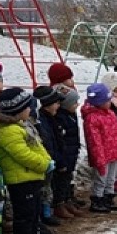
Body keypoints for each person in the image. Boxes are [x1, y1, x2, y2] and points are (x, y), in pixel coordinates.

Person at [0, 88, 53, 234]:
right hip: (20, 179)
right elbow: (23, 155)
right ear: (16, 111)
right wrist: (43, 164)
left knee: (33, 211)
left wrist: (46, 160)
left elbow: (37, 147)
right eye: (26, 108)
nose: (30, 111)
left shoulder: (20, 126)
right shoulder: (8, 131)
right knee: (24, 214)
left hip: (30, 176)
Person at [82, 83, 117, 213]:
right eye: (106, 100)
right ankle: (97, 199)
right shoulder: (92, 118)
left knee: (111, 178)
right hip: (102, 154)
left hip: (114, 152)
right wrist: (99, 158)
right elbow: (94, 141)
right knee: (101, 178)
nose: (109, 102)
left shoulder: (111, 114)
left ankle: (108, 197)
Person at [33, 86, 75, 221]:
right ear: (47, 104)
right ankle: (46, 212)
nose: (59, 105)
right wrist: (57, 159)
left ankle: (52, 208)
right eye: (56, 103)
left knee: (54, 185)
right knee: (46, 187)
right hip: (49, 159)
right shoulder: (42, 121)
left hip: (56, 157)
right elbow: (48, 143)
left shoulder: (52, 118)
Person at [54, 87, 86, 210]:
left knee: (68, 178)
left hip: (72, 152)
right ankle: (60, 203)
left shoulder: (71, 115)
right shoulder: (62, 117)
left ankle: (68, 198)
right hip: (65, 154)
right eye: (74, 103)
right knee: (62, 180)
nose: (77, 105)